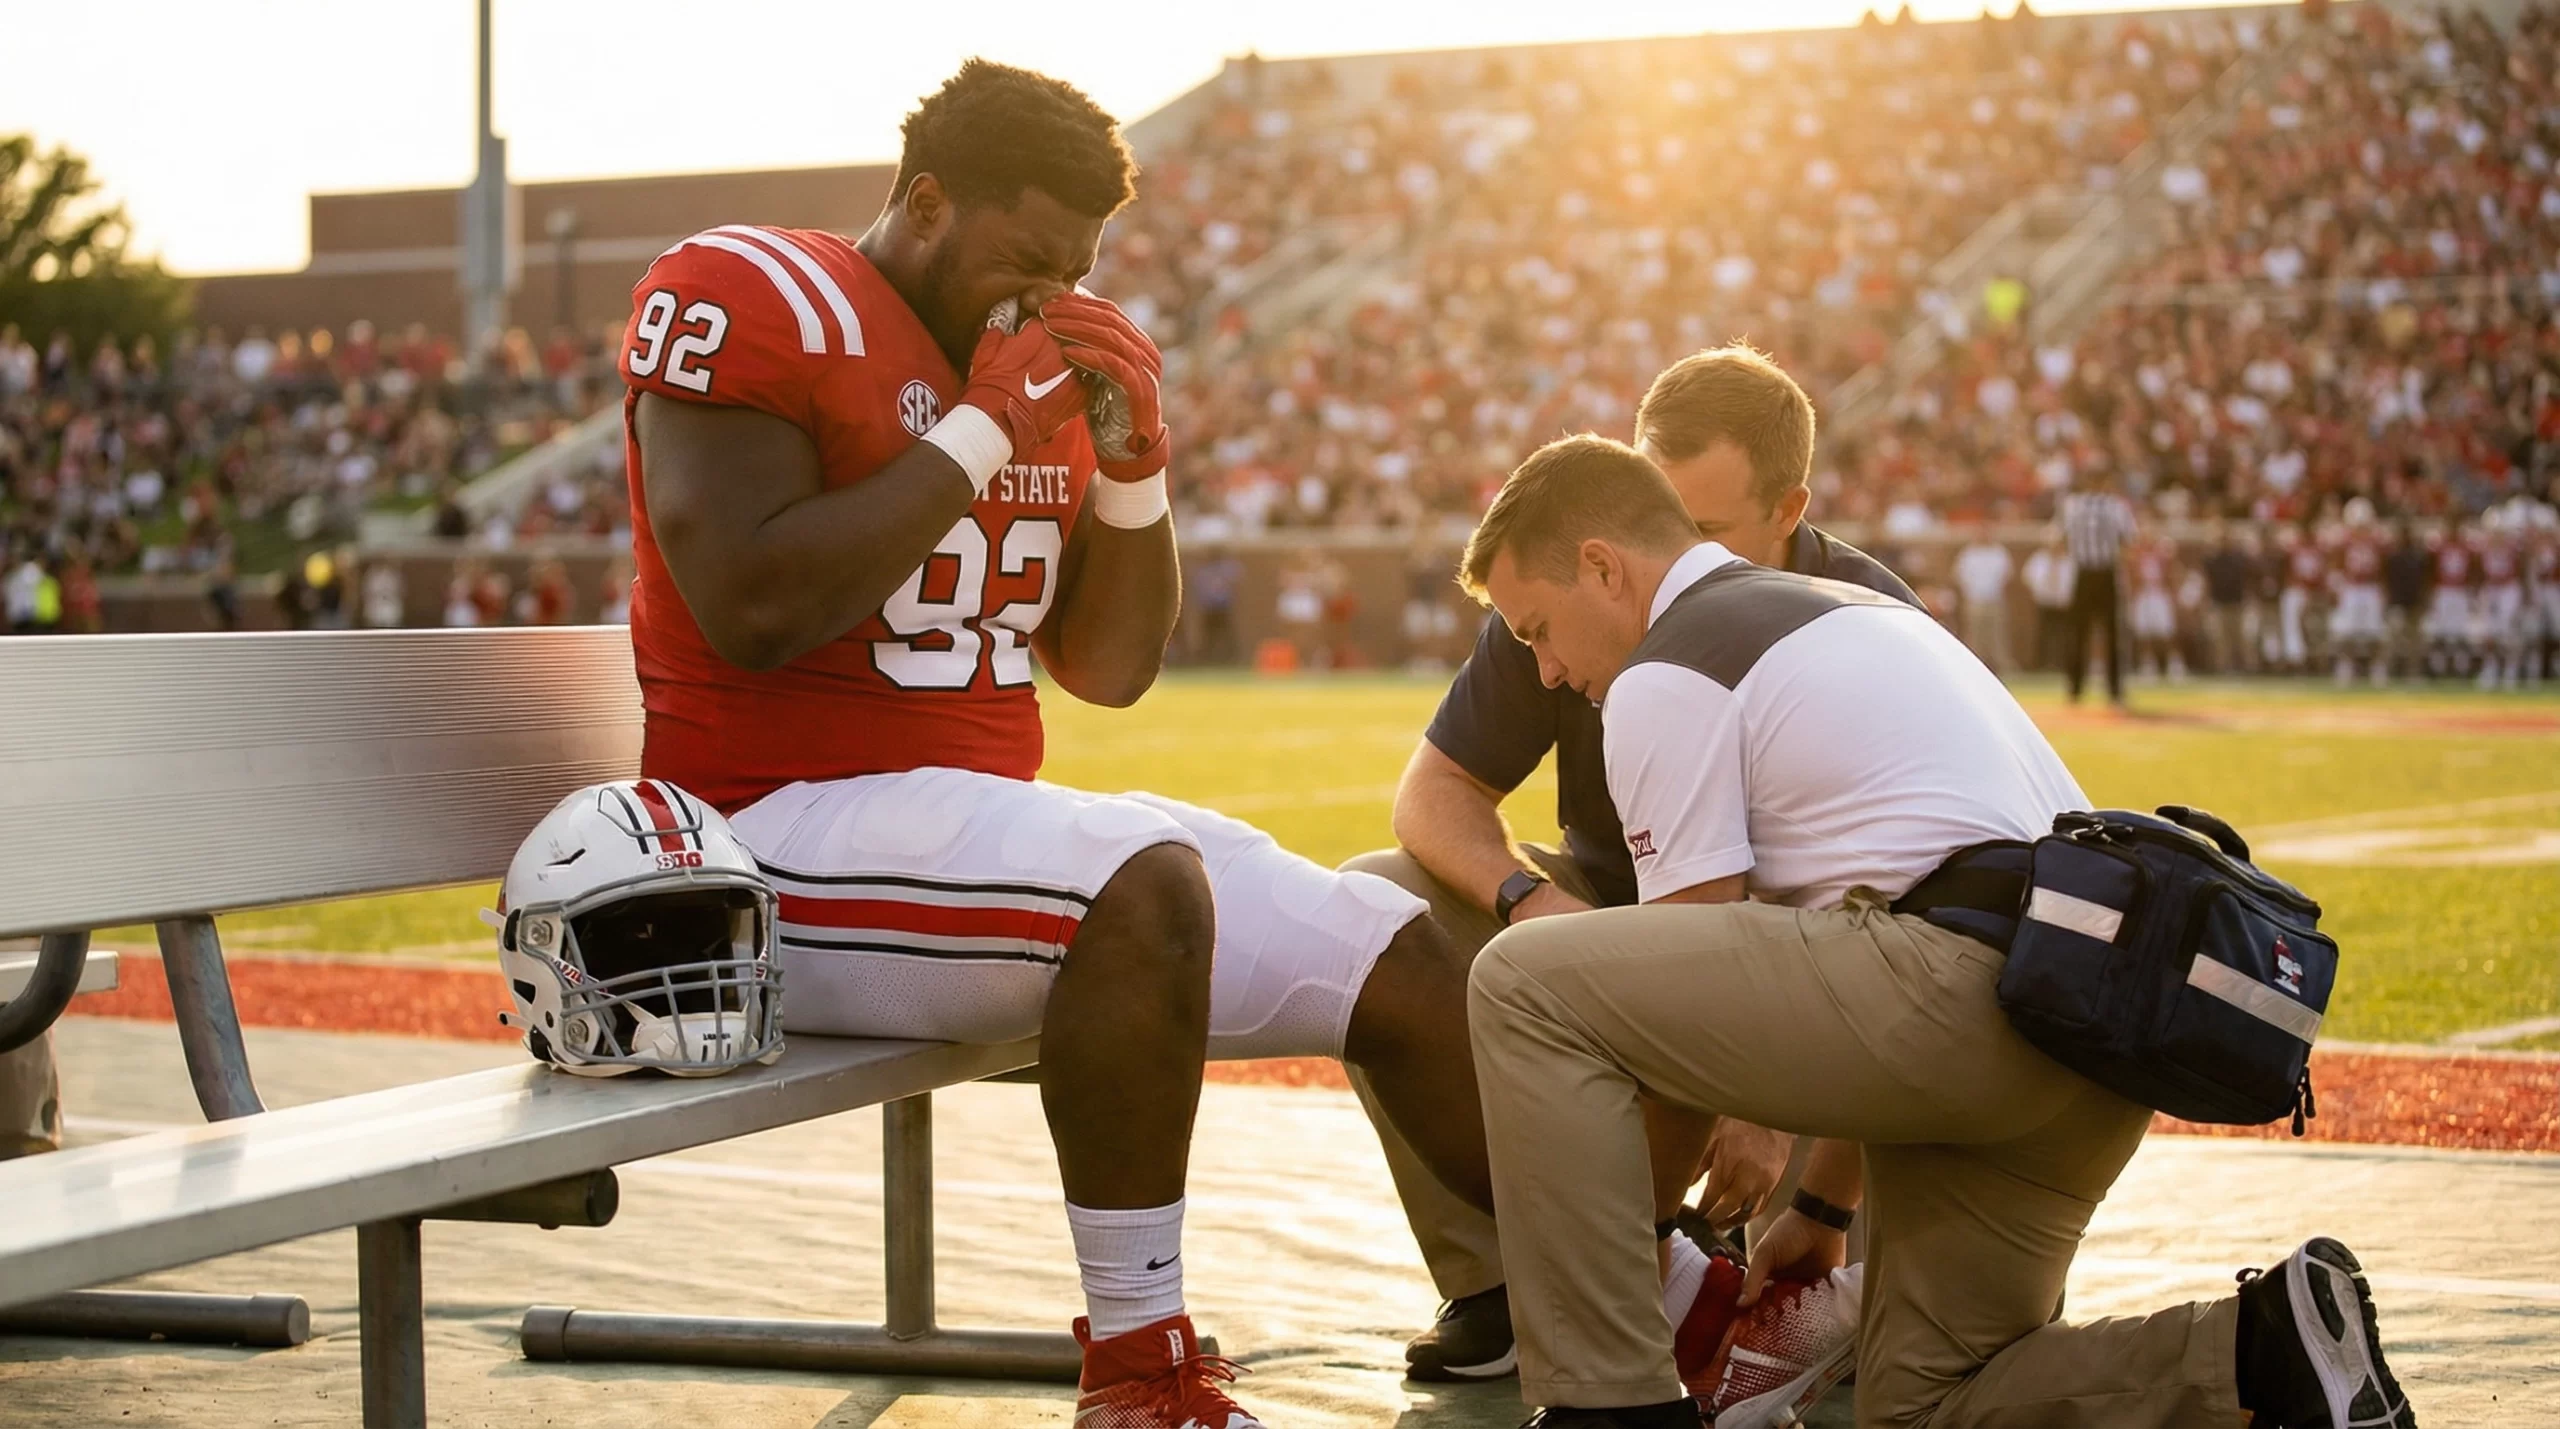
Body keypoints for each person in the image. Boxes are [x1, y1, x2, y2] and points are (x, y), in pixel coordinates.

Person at [618, 61, 1487, 1429]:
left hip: (952, 833)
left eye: (1074, 267)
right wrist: (981, 429)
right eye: (1023, 255)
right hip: (759, 836)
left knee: (1397, 950)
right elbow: (755, 605)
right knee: (1138, 886)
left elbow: (1110, 667)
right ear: (925, 202)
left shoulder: (1025, 368)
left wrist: (1132, 470)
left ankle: (1650, 1286)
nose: (1044, 293)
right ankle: (1139, 1374)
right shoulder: (757, 291)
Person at [1457, 434, 2415, 1429]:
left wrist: (1653, 1250)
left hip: (1958, 998)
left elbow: (1669, 1014)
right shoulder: (1869, 611)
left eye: (1537, 628)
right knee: (1922, 1402)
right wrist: (1824, 1208)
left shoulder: (1669, 668)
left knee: (1523, 979)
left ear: (1603, 566)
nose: (1550, 669)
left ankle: (1607, 1411)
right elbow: (1905, 887)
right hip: (2087, 1039)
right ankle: (2262, 1350)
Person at [1342, 345, 1918, 1387]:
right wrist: (1533, 899)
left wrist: (1775, 1101)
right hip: (1633, 904)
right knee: (1375, 904)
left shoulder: (1861, 610)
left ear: (1788, 509)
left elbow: (1889, 908)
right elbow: (1432, 794)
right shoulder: (1580, 583)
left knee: (1877, 1344)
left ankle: (1728, 1265)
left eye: (1702, 532)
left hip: (1818, 954)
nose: (1668, 558)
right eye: (1657, 514)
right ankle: (1500, 1279)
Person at [2057, 467, 2135, 704]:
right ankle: (2112, 689)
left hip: (2087, 573)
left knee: (2080, 631)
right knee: (2107, 632)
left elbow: (2059, 540)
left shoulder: (2073, 506)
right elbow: (2129, 542)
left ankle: (2076, 687)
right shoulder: (2116, 507)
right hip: (2103, 572)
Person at [1951, 525, 2014, 673]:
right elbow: (1959, 576)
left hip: (1995, 599)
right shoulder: (1968, 554)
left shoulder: (1999, 553)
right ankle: (1974, 666)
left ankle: (2001, 666)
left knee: (1997, 635)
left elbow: (2007, 575)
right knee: (1975, 635)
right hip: (1975, 600)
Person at [2020, 533, 2075, 672]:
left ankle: (2063, 665)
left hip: (2064, 604)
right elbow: (2027, 578)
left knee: (2065, 635)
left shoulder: (2070, 560)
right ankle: (2041, 665)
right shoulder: (2039, 559)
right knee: (2043, 635)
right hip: (2044, 603)